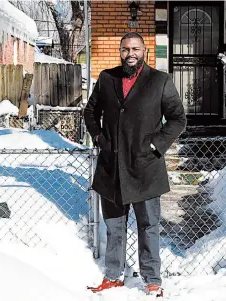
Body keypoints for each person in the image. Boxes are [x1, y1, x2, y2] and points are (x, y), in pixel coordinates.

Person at [83, 32, 186, 297]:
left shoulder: (160, 81)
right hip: (111, 168)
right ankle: (113, 275)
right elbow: (90, 111)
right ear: (120, 51)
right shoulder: (107, 78)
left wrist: (155, 145)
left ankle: (152, 279)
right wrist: (97, 136)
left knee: (148, 226)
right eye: (126, 49)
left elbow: (177, 119)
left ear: (145, 51)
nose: (131, 53)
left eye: (136, 49)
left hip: (145, 168)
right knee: (114, 227)